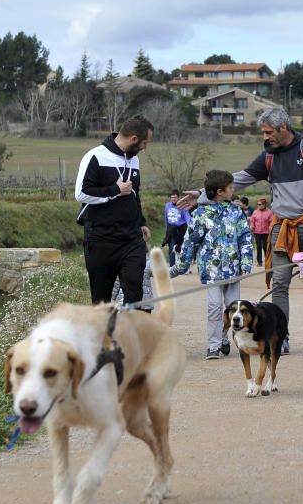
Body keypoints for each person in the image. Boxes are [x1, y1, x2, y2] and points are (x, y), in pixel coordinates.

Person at [179, 107, 303, 354]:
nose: (265, 137)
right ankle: (282, 335)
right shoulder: (267, 157)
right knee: (279, 283)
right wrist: (203, 194)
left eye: (269, 132)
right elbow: (237, 180)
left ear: (283, 128)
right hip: (282, 227)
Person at [170, 170, 254, 360]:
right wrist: (181, 266)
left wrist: (246, 262)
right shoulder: (200, 214)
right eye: (230, 187)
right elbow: (191, 241)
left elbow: (245, 237)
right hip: (211, 271)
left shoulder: (236, 211)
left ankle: (224, 337)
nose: (234, 190)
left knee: (233, 308)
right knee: (215, 307)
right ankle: (214, 345)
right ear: (219, 191)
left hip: (233, 271)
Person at [75, 116, 154, 307]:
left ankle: (128, 334)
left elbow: (134, 194)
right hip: (101, 239)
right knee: (101, 301)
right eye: (145, 142)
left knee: (135, 290)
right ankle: (105, 336)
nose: (146, 147)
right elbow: (81, 193)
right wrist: (115, 190)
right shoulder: (95, 156)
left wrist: (141, 221)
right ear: (134, 139)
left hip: (131, 239)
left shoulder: (134, 160)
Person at [163, 190, 191, 266]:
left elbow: (187, 217)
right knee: (171, 247)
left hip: (181, 229)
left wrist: (189, 227)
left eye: (175, 197)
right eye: (172, 198)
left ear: (178, 198)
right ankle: (172, 266)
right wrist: (167, 230)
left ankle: (183, 265)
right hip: (171, 229)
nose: (174, 199)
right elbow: (166, 218)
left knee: (181, 247)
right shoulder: (167, 205)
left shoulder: (183, 205)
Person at [249, 197, 274, 267]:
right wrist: (252, 225)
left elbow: (272, 220)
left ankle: (268, 261)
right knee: (259, 247)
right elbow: (252, 220)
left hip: (266, 232)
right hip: (257, 232)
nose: (258, 206)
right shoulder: (255, 212)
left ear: (264, 205)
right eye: (258, 204)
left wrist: (270, 226)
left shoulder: (269, 212)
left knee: (266, 247)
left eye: (260, 204)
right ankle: (259, 262)